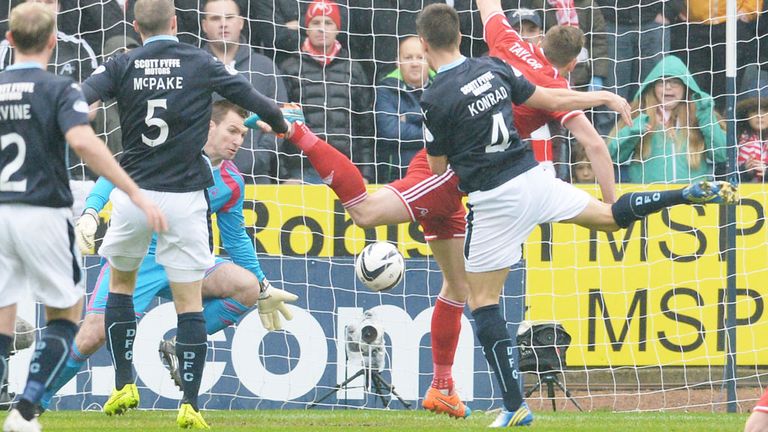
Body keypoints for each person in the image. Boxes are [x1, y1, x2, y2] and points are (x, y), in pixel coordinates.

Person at [415, 4, 737, 427]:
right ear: (460, 35)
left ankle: (514, 406)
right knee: (608, 216)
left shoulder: (436, 97)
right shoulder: (492, 67)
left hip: (495, 199)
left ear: (423, 44)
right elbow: (551, 99)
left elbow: (439, 169)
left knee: (482, 301)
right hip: (535, 176)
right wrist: (601, 95)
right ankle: (683, 193)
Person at [79, 0, 290, 427]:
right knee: (188, 302)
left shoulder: (122, 63)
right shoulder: (200, 61)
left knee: (120, 287)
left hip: (135, 194)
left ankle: (124, 382)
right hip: (185, 198)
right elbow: (253, 99)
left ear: (137, 27)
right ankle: (189, 405)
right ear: (176, 23)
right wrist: (278, 122)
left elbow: (79, 97)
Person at [39, 100, 298, 410]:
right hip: (140, 256)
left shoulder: (231, 182)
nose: (238, 141)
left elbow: (236, 238)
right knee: (93, 334)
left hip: (187, 258)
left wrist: (263, 286)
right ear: (209, 126)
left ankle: (179, 346)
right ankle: (34, 399)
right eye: (232, 131)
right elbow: (114, 172)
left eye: (243, 135)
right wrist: (92, 210)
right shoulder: (168, 148)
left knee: (246, 286)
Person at [0, 3, 165, 431]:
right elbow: (85, 144)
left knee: (2, 313)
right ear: (54, 42)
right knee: (67, 315)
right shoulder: (59, 89)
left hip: (1, 212)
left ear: (10, 40)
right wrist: (133, 190)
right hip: (43, 213)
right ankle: (25, 409)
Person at [279, 0, 374, 184]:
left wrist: (367, 173)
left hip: (346, 167)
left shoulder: (353, 69)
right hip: (302, 172)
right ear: (306, 28)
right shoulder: (289, 68)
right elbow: (279, 124)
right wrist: (285, 175)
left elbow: (365, 126)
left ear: (338, 29)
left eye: (328, 23)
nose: (322, 29)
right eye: (315, 23)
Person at [201, 0, 288, 183]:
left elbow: (281, 116)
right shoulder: (193, 66)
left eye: (229, 17)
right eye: (216, 18)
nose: (223, 24)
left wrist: (259, 158)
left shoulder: (264, 67)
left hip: (255, 179)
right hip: (199, 176)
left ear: (241, 22)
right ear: (204, 25)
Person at [607, 55, 727, 184]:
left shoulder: (700, 113)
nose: (668, 87)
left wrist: (706, 118)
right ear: (652, 87)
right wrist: (631, 132)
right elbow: (611, 157)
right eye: (662, 82)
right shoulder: (638, 114)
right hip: (648, 198)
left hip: (691, 198)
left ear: (686, 86)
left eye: (675, 82)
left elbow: (722, 155)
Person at [375, 35, 433, 183]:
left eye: (420, 57)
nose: (414, 63)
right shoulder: (385, 89)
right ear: (398, 62)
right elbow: (391, 131)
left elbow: (449, 130)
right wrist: (430, 129)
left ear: (429, 60)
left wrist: (408, 117)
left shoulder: (442, 86)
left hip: (436, 173)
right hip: (398, 175)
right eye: (408, 57)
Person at [736, 97, 768, 183]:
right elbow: (722, 172)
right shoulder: (736, 139)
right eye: (754, 111)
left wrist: (766, 172)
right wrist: (745, 170)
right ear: (746, 115)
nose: (759, 116)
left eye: (765, 111)